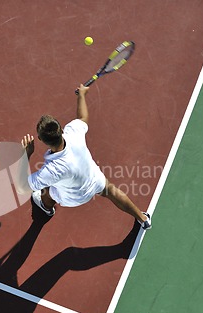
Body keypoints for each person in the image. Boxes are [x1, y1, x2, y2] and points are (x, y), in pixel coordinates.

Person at [21, 84, 151, 229]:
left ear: (41, 140)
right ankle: (143, 218)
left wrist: (26, 154)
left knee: (47, 191)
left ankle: (46, 207)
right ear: (61, 129)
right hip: (94, 180)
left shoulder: (51, 170)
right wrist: (82, 95)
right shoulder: (73, 133)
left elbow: (23, 188)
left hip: (74, 198)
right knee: (112, 190)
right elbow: (83, 117)